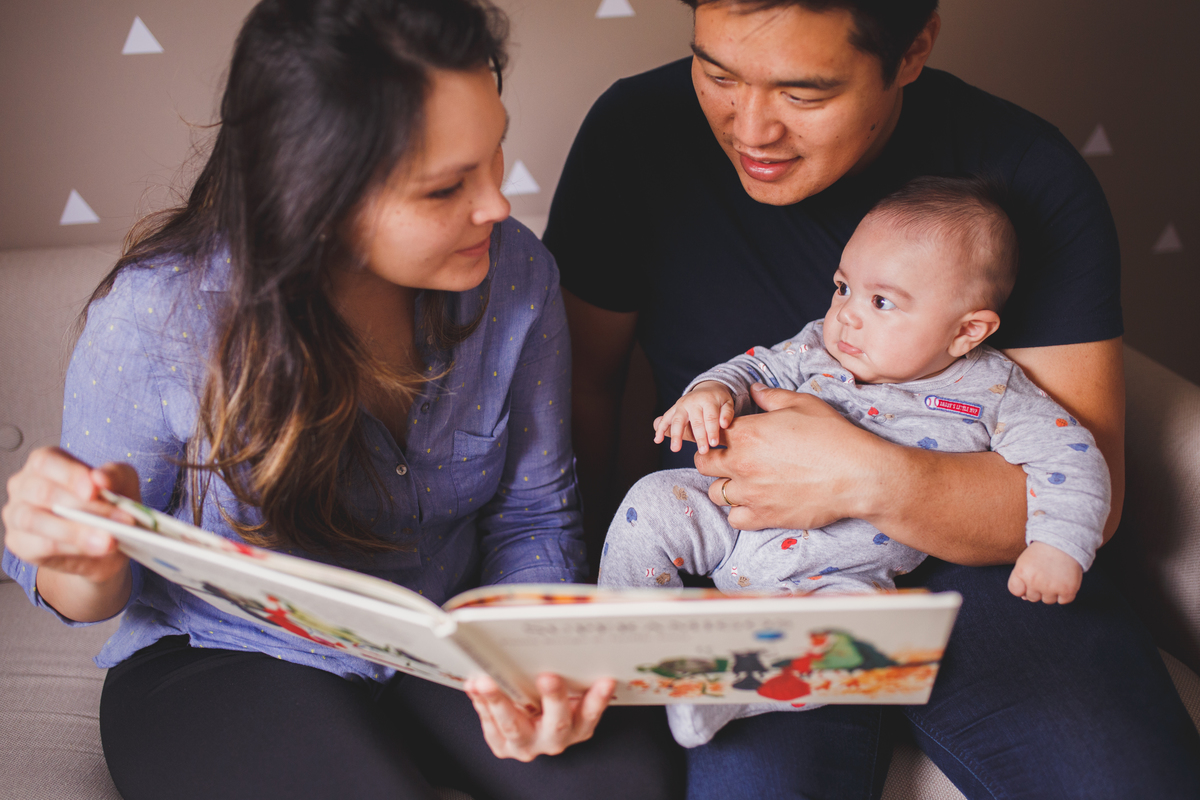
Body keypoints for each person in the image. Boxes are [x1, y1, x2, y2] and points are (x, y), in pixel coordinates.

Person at [0, 2, 682, 798]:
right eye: (444, 188)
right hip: (224, 655)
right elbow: (82, 590)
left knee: (630, 785)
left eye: (495, 153)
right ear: (317, 194)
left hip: (445, 645)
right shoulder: (162, 318)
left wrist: (539, 662)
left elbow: (532, 517)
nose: (497, 205)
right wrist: (80, 557)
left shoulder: (517, 277)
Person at [544, 0, 1200, 797]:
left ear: (913, 48)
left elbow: (1082, 480)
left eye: (804, 94)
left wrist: (864, 477)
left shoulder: (1024, 174)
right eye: (717, 74)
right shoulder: (636, 134)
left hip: (986, 563)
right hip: (750, 551)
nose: (750, 129)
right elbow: (583, 389)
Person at [599, 176, 1111, 746]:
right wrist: (710, 393)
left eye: (882, 301)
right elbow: (753, 368)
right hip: (731, 518)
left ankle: (724, 691)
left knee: (871, 641)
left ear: (968, 330)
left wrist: (1058, 544)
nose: (846, 315)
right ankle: (621, 643)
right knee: (653, 499)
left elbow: (1072, 457)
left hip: (840, 577)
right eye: (843, 287)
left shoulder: (993, 392)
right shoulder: (816, 345)